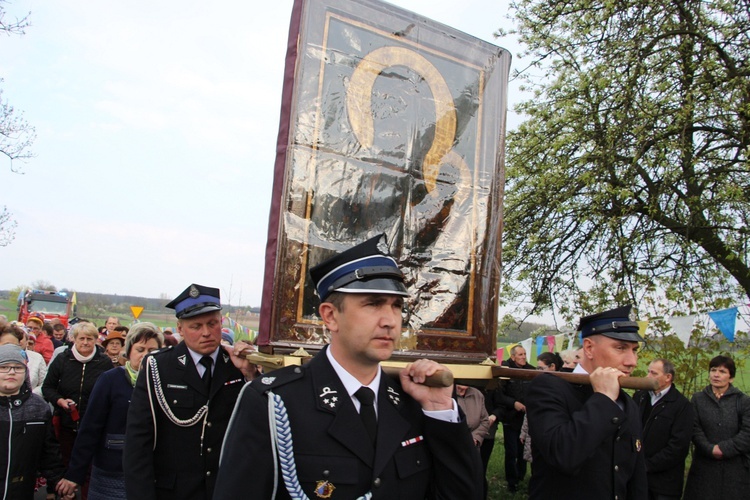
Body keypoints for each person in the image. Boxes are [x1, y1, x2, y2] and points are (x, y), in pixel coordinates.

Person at [214, 234, 483, 500]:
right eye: (373, 304)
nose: (390, 320)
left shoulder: (413, 401)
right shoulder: (274, 402)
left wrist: (439, 411)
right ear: (330, 315)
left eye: (397, 306)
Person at [123, 283, 259, 500]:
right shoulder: (158, 367)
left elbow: (258, 428)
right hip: (174, 492)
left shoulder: (236, 365)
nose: (206, 333)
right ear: (180, 329)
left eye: (212, 323)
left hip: (225, 490)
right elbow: (137, 446)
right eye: (196, 326)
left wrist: (251, 375)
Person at [525, 305, 647, 499]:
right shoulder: (549, 388)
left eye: (634, 350)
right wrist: (604, 399)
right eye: (620, 348)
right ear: (589, 348)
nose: (632, 360)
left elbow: (636, 478)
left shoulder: (628, 404)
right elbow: (564, 455)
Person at [56, 323, 164, 499]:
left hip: (151, 472)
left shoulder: (165, 384)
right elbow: (90, 428)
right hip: (111, 470)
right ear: (129, 351)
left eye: (152, 351)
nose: (146, 355)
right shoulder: (110, 380)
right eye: (140, 349)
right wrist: (74, 474)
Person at [0, 344, 70, 500]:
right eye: (4, 367)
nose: (11, 372)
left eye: (17, 367)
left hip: (21, 490)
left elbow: (49, 452)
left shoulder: (38, 408)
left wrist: (57, 484)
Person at [42, 321, 113, 470]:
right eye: (81, 338)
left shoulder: (104, 362)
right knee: (65, 461)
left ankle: (88, 493)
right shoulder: (62, 359)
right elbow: (47, 387)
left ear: (96, 340)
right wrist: (59, 400)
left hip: (93, 423)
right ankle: (67, 493)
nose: (85, 343)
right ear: (74, 339)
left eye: (89, 339)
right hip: (65, 422)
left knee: (89, 465)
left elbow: (110, 392)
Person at [683, 355, 750, 500]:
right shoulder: (698, 399)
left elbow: (747, 433)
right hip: (704, 468)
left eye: (722, 371)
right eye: (713, 370)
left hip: (735, 470)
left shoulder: (743, 401)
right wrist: (709, 448)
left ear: (731, 378)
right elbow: (694, 428)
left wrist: (724, 449)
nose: (716, 375)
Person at [631, 358, 693, 500]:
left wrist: (647, 465)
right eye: (648, 372)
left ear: (668, 377)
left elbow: (678, 446)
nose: (648, 377)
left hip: (664, 485)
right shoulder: (639, 397)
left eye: (653, 373)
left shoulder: (682, 406)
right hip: (637, 480)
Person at [497, 344, 535, 492]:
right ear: (513, 357)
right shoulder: (506, 371)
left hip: (525, 419)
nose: (524, 357)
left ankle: (521, 477)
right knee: (511, 451)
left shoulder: (531, 371)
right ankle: (511, 482)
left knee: (523, 451)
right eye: (520, 354)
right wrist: (513, 403)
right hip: (510, 418)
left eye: (525, 354)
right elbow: (499, 395)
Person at [520, 352, 563, 463]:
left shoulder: (561, 386)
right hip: (534, 432)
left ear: (552, 366)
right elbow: (530, 411)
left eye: (541, 368)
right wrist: (524, 432)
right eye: (537, 368)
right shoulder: (537, 384)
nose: (538, 371)